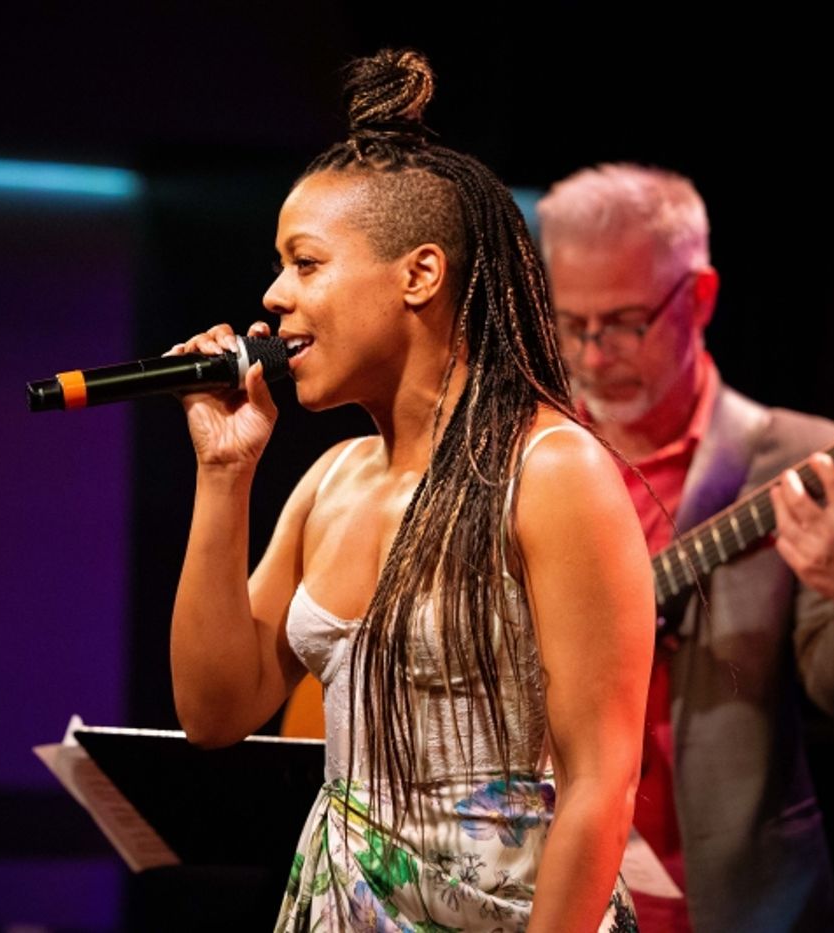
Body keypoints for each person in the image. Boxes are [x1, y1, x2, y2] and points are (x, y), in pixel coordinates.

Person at [168, 51, 653, 932]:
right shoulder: (329, 482)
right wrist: (223, 470)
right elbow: (213, 712)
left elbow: (600, 782)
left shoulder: (550, 471)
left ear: (419, 275)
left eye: (306, 264)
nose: (273, 295)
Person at [536, 164, 834, 933]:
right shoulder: (529, 449)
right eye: (572, 324)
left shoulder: (803, 457)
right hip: (542, 889)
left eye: (623, 322)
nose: (593, 353)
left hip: (734, 905)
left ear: (701, 297)